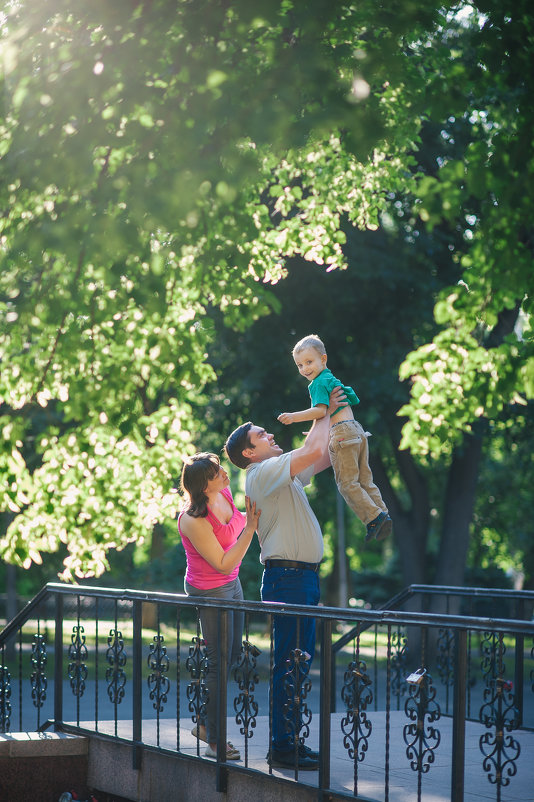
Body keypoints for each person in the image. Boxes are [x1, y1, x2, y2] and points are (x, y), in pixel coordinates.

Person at [224, 389, 342, 771]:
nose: (272, 436)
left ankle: (289, 741)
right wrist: (326, 409)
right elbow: (309, 452)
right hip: (287, 580)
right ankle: (282, 747)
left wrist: (328, 415)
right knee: (290, 664)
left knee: (299, 662)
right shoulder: (261, 474)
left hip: (300, 579)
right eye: (262, 435)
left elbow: (320, 455)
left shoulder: (280, 474)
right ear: (248, 453)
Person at [178, 452, 261, 761]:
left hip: (232, 583)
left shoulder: (224, 492)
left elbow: (231, 564)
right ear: (204, 485)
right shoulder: (193, 520)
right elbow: (223, 563)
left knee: (233, 654)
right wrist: (251, 528)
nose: (225, 473)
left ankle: (203, 723)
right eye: (216, 472)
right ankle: (215, 739)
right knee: (219, 662)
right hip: (211, 588)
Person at [277, 333, 392, 543]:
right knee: (365, 480)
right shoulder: (331, 378)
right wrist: (318, 432)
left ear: (323, 359)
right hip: (356, 431)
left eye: (309, 362)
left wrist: (294, 417)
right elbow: (336, 410)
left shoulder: (317, 384)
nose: (305, 369)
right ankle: (383, 514)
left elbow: (321, 411)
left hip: (342, 434)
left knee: (347, 484)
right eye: (300, 365)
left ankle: (374, 517)